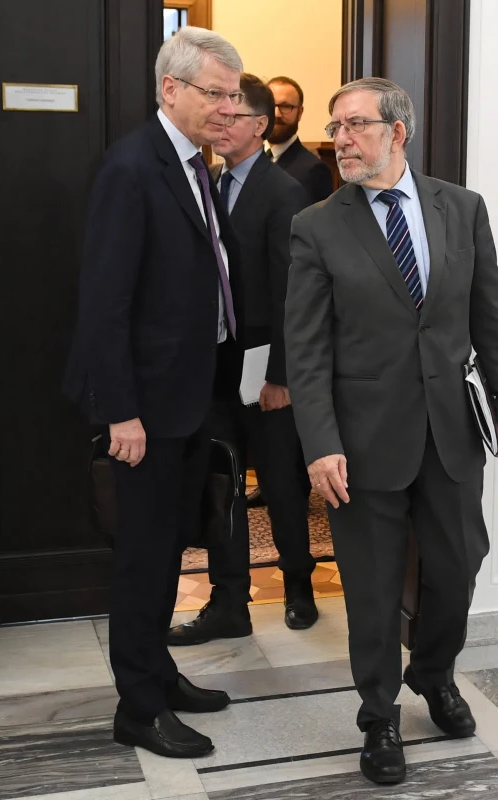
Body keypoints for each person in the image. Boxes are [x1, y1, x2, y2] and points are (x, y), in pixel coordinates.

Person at [284, 77, 498, 785]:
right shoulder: (318, 225)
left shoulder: (462, 208)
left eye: (356, 124)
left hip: (451, 431)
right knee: (371, 583)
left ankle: (433, 671)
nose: (341, 138)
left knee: (458, 564)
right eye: (336, 126)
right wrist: (320, 441)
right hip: (360, 441)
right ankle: (379, 716)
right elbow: (306, 350)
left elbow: (490, 313)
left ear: (399, 130)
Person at [61, 26, 248, 760]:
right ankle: (138, 706)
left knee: (173, 546)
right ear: (171, 89)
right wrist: (121, 413)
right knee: (143, 556)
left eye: (234, 95)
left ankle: (159, 672)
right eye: (215, 94)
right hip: (144, 407)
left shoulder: (199, 166)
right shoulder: (132, 167)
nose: (228, 109)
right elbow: (104, 302)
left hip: (190, 395)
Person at [167, 74, 318, 647]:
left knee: (281, 481)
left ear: (258, 125)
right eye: (217, 115)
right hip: (215, 364)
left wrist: (281, 374)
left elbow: (293, 293)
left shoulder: (285, 194)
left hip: (266, 364)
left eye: (231, 117)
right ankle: (229, 601)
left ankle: (299, 586)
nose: (220, 124)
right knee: (223, 480)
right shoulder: (207, 181)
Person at [267, 76, 335, 203]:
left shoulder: (314, 171)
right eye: (271, 105)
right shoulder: (252, 160)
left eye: (286, 106)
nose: (276, 114)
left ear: (300, 112)